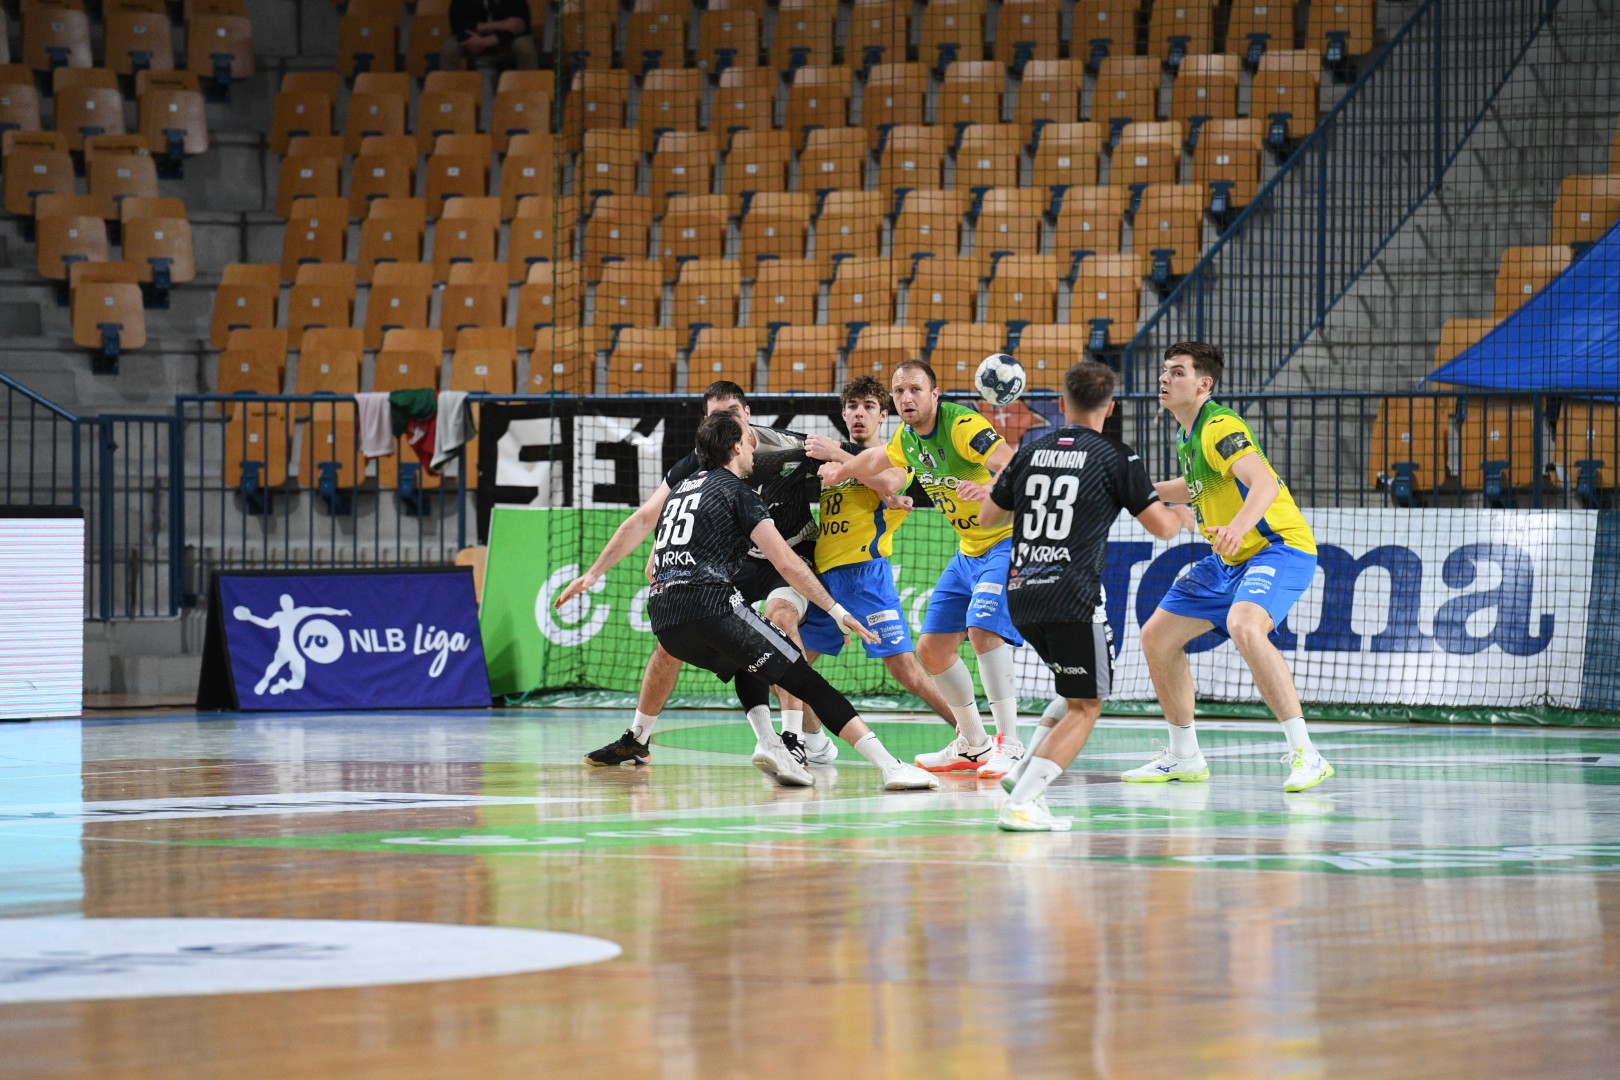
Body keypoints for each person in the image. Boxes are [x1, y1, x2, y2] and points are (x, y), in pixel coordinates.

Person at [571, 412, 939, 792]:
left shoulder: (681, 488)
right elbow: (788, 563)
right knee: (804, 679)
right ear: (735, 447)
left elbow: (654, 554)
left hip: (664, 618)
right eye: (749, 443)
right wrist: (837, 611)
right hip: (709, 605)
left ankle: (770, 743)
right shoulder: (739, 492)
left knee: (751, 657)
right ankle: (889, 766)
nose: (754, 450)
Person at [968, 362, 1196, 831]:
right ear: (1110, 408)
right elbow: (1161, 527)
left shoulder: (1029, 452)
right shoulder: (1116, 456)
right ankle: (1023, 803)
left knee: (1073, 692)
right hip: (1072, 597)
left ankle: (1021, 774)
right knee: (1088, 704)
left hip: (1021, 592)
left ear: (1061, 404)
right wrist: (1182, 514)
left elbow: (988, 517)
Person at [1122, 342, 1334, 793]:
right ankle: (1184, 757)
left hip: (1277, 548)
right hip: (1228, 561)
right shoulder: (1188, 434)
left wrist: (1238, 527)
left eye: (1177, 372)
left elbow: (1263, 483)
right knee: (1157, 637)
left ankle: (1307, 754)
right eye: (1165, 371)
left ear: (1204, 384)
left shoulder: (1220, 425)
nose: (1164, 378)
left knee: (1244, 625)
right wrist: (1133, 490)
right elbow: (1193, 486)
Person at [817, 359, 1023, 780]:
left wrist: (989, 487)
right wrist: (842, 470)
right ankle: (973, 743)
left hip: (1006, 541)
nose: (906, 398)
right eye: (899, 391)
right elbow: (875, 459)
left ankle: (1011, 745)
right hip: (968, 551)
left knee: (982, 631)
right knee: (931, 650)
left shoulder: (962, 425)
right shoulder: (908, 439)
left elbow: (1015, 464)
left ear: (935, 394)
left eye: (915, 389)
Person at [795, 377, 960, 760]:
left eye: (868, 406)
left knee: (906, 670)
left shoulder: (896, 454)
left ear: (883, 415)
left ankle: (972, 737)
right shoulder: (830, 463)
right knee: (788, 667)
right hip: (824, 579)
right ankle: (815, 741)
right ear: (843, 413)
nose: (859, 413)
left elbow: (888, 482)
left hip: (865, 575)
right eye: (852, 406)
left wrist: (839, 455)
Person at [439, 0, 539, 71]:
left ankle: (529, 90)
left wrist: (486, 42)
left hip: (507, 38)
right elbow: (457, 24)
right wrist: (500, 25)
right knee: (450, 47)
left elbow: (520, 25)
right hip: (473, 36)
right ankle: (449, 92)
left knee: (524, 46)